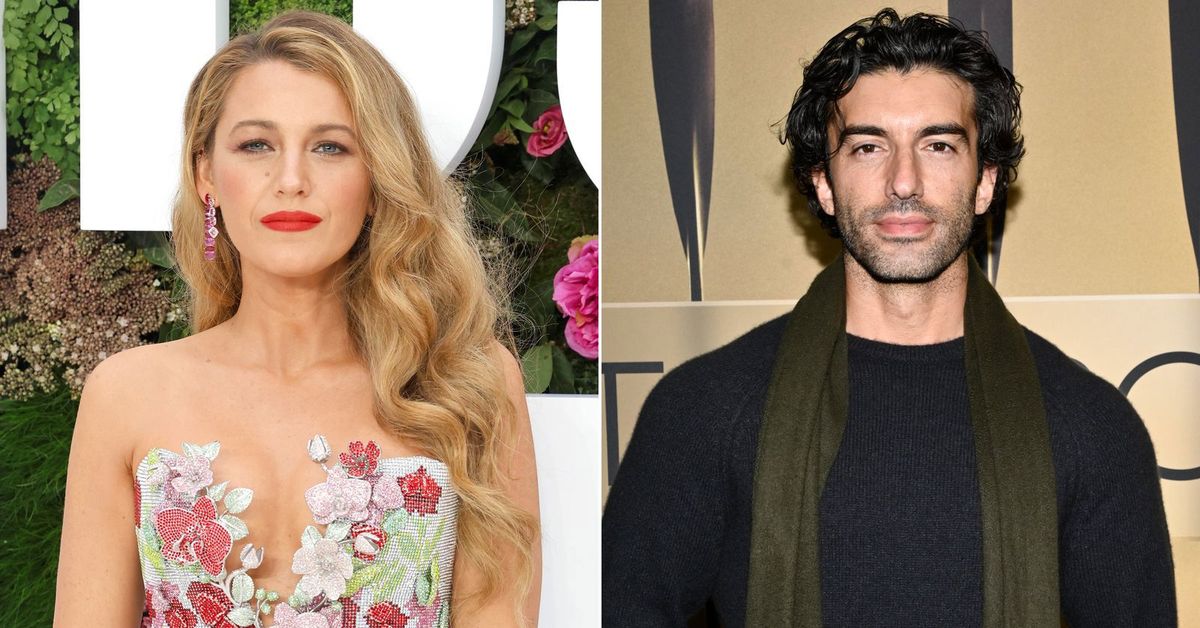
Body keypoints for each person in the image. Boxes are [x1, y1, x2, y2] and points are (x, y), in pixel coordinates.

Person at [603, 8, 1175, 627]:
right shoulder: (705, 411)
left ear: (985, 180)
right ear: (824, 182)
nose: (904, 182)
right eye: (869, 147)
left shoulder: (1091, 428)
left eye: (938, 145)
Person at [54, 11, 541, 627]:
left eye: (330, 147)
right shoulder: (126, 394)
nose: (291, 181)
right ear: (206, 176)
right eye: (256, 145)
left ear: (378, 178)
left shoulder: (465, 382)